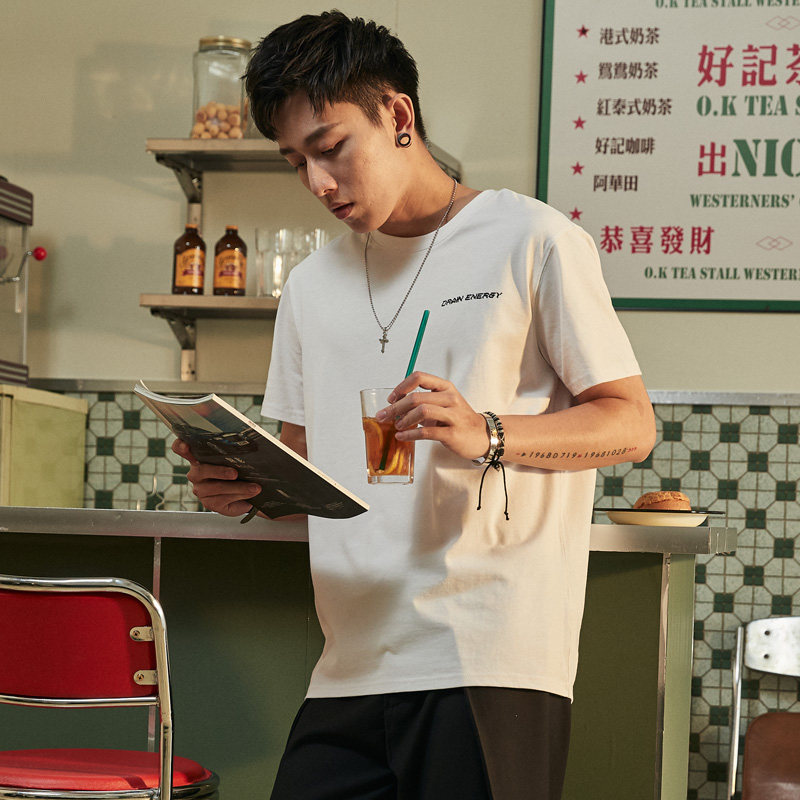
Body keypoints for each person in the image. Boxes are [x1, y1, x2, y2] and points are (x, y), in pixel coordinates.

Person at [173, 11, 656, 800]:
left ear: (397, 115)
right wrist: (248, 489)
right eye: (297, 162)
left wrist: (486, 431)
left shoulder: (531, 239)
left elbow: (631, 424)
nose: (318, 183)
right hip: (350, 662)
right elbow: (308, 470)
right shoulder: (310, 286)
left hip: (490, 655)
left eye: (331, 147)